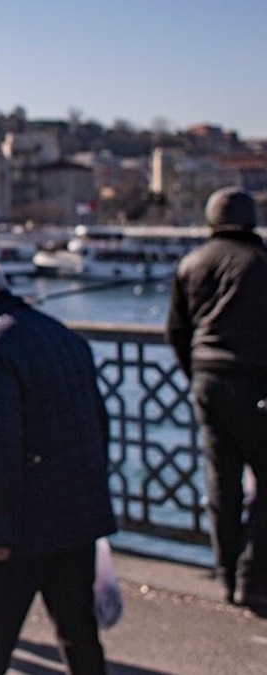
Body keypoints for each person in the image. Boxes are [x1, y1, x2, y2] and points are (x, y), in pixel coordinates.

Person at [0, 258, 116, 675]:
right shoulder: (63, 335)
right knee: (80, 636)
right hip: (77, 518)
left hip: (21, 527)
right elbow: (98, 426)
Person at [166, 186, 267, 615]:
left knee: (220, 482)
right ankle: (254, 577)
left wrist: (197, 375)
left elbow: (177, 330)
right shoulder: (261, 262)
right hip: (255, 384)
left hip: (208, 382)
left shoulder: (192, 263)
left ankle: (227, 575)